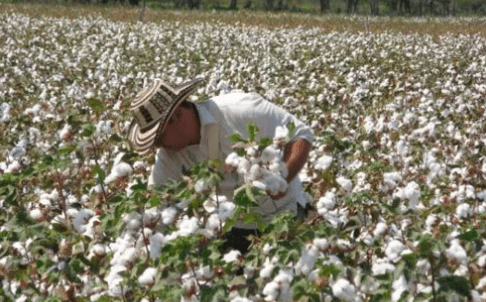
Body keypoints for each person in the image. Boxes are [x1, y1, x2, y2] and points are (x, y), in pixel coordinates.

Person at [128, 78, 314, 254]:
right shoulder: (169, 157)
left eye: (158, 137)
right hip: (234, 227)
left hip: (285, 215)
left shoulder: (240, 110)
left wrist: (282, 178)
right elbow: (157, 201)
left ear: (176, 116)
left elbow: (300, 134)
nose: (157, 146)